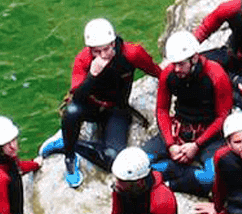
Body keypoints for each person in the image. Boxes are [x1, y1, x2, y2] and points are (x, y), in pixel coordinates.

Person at [40, 18, 161, 189]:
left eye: (106, 49)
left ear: (113, 43)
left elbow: (156, 71)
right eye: (97, 52)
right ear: (90, 50)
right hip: (91, 106)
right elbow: (78, 97)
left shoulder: (131, 53)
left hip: (116, 109)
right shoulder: (83, 60)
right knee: (72, 112)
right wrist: (93, 74)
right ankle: (69, 156)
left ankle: (68, 144)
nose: (103, 55)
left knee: (113, 159)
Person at [143, 31, 233, 196]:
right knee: (140, 163)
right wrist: (170, 144)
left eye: (181, 64)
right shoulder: (168, 74)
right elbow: (162, 109)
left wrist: (197, 145)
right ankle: (175, 169)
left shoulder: (216, 75)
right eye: (174, 63)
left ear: (195, 58)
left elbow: (223, 116)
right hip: (179, 129)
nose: (176, 69)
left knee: (212, 178)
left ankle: (172, 181)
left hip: (210, 135)